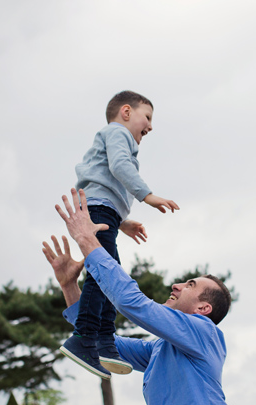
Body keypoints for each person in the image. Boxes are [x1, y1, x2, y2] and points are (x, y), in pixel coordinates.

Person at [42, 188, 248, 405]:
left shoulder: (205, 334)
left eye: (190, 284)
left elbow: (132, 302)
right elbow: (99, 341)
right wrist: (70, 285)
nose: (176, 284)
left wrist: (88, 239)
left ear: (204, 309)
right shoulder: (160, 351)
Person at [63, 90, 180, 380]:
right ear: (126, 112)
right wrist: (148, 196)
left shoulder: (120, 137)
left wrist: (122, 220)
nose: (150, 126)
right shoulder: (117, 133)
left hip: (105, 211)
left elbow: (107, 185)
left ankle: (104, 341)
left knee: (108, 278)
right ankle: (84, 337)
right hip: (100, 209)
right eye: (148, 117)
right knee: (102, 277)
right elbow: (118, 167)